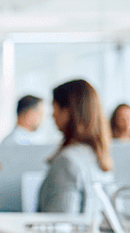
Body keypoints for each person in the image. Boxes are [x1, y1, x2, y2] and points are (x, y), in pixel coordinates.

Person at [37, 79, 114, 214]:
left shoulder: (67, 161)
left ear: (67, 111)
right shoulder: (99, 157)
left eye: (54, 108)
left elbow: (61, 222)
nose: (52, 115)